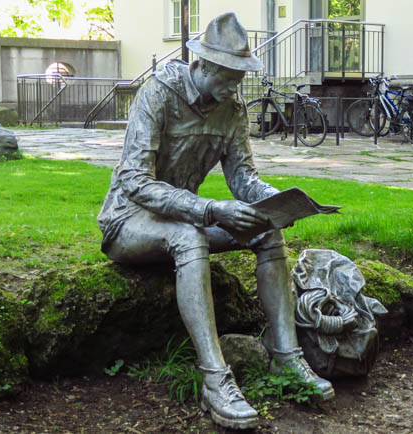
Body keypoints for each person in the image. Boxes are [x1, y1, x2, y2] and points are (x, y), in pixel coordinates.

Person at [97, 12, 333, 430]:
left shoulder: (232, 109)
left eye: (240, 75)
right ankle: (215, 378)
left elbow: (243, 177)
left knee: (267, 230)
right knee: (189, 236)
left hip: (183, 217)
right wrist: (210, 209)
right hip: (128, 222)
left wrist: (276, 202)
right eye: (227, 74)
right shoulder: (159, 93)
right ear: (201, 65)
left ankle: (286, 357)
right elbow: (134, 181)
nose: (234, 85)